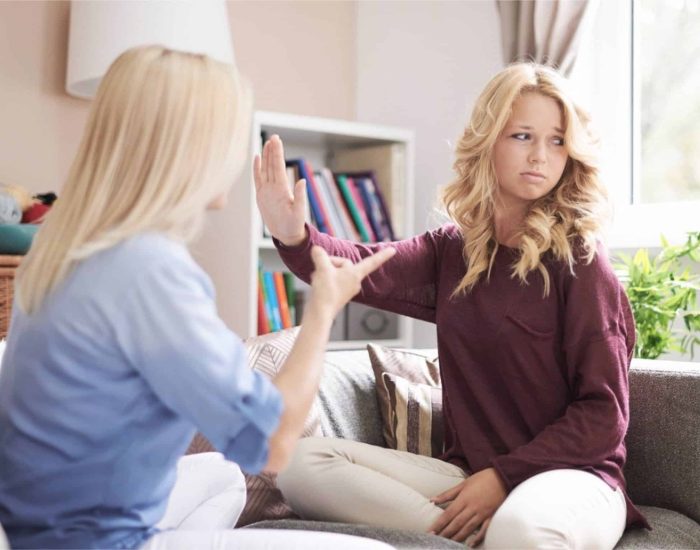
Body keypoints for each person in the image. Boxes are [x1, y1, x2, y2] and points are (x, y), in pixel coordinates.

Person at [0, 45, 396, 550]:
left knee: (221, 476)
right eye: (234, 138)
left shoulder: (61, 248)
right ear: (193, 149)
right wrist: (323, 308)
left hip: (37, 531)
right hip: (102, 542)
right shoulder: (150, 271)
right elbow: (272, 444)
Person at [255, 62, 651, 549]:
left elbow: (604, 417)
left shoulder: (583, 263)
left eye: (557, 141)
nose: (541, 156)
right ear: (489, 140)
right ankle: (466, 537)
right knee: (301, 465)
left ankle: (487, 534)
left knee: (521, 530)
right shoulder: (452, 251)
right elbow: (357, 268)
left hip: (575, 478)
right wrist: (292, 234)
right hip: (471, 475)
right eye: (523, 136)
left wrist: (505, 476)